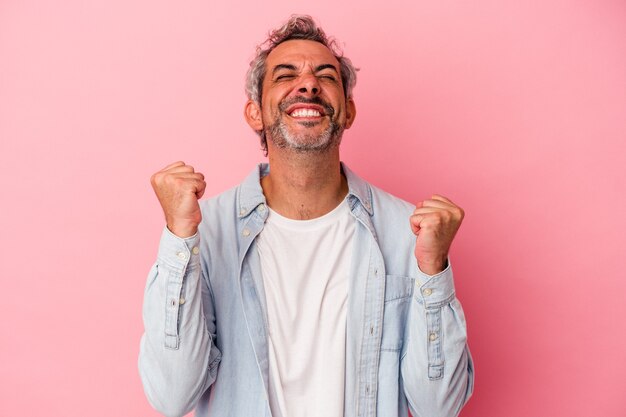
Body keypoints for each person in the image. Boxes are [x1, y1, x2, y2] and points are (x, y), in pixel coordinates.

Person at [139, 15, 474, 417]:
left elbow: (439, 408)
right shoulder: (202, 233)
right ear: (254, 114)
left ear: (347, 111)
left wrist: (434, 269)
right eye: (285, 74)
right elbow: (172, 396)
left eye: (326, 76)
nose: (309, 84)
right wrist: (178, 238)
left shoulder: (411, 234)